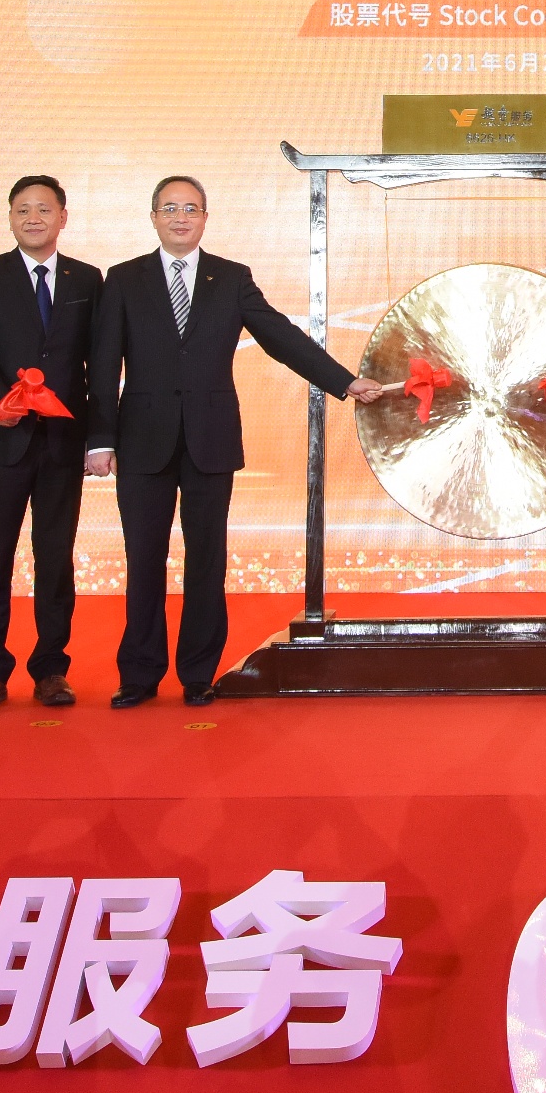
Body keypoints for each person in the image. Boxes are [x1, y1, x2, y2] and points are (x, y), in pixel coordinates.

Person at [85, 176, 391, 707]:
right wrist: (99, 440)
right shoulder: (124, 278)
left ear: (206, 218)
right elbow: (104, 362)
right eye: (169, 209)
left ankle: (198, 673)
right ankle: (138, 674)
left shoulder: (231, 278)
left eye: (191, 209)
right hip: (142, 439)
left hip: (211, 437)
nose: (180, 218)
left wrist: (343, 381)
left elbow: (280, 337)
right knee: (144, 558)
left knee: (208, 558)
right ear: (153, 217)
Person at [0, 174, 98, 711]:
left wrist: (98, 434)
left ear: (63, 217)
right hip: (2, 440)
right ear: (10, 218)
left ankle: (51, 669)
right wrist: (7, 402)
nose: (33, 218)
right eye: (22, 209)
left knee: (55, 558)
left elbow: (98, 359)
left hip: (62, 441)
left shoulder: (88, 278)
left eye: (43, 208)